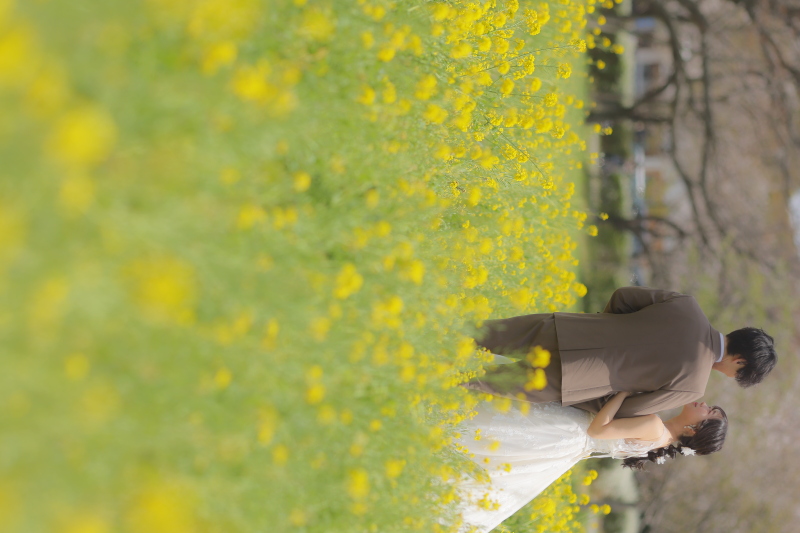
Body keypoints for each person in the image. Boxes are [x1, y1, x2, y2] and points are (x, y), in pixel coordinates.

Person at [463, 286, 777, 417]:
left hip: (567, 328)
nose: (729, 376)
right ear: (739, 361)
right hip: (573, 379)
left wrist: (606, 330)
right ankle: (425, 376)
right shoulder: (691, 386)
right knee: (477, 381)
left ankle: (426, 335)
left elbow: (623, 296)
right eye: (737, 374)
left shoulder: (688, 306)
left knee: (481, 334)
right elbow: (626, 409)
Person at [455, 392, 727, 533]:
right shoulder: (664, 442)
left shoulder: (655, 426)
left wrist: (621, 394)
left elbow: (598, 431)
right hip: (571, 446)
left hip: (570, 431)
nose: (704, 403)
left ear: (694, 429)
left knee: (491, 428)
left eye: (708, 411)